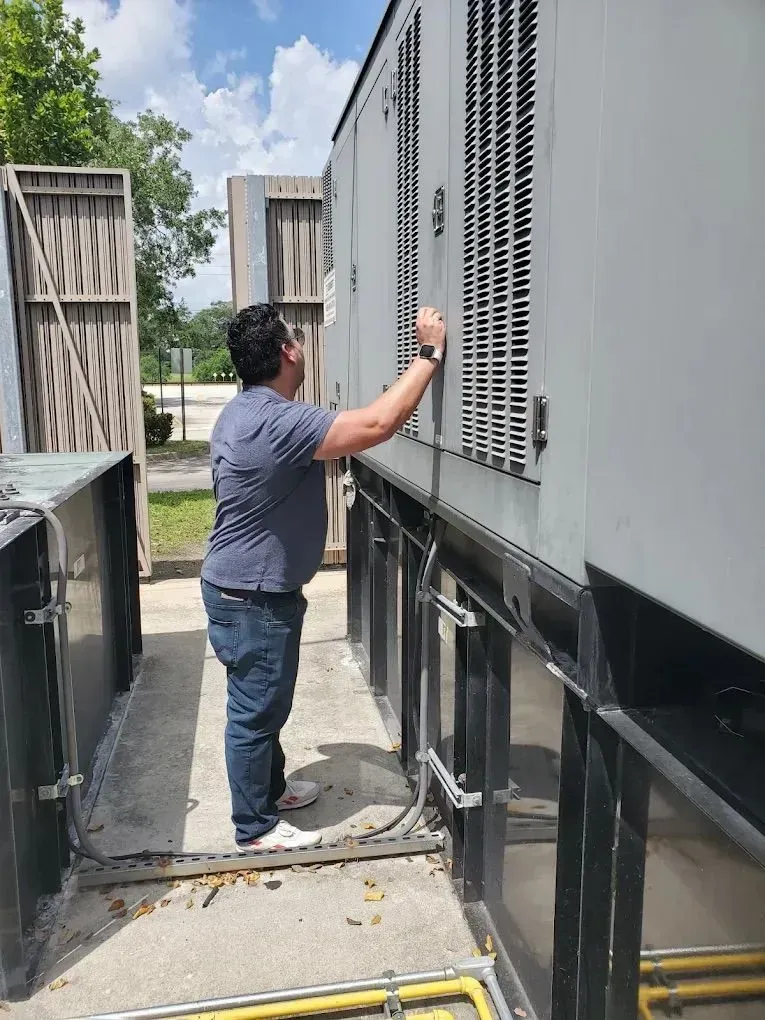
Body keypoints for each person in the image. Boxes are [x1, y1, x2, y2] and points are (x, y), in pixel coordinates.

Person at [201, 303, 447, 851]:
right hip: (251, 599)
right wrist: (429, 353)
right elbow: (378, 424)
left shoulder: (248, 410)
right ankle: (254, 828)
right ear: (288, 351)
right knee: (254, 711)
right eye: (299, 338)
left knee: (265, 701)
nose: (304, 345)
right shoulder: (275, 420)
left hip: (247, 592)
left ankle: (270, 792)